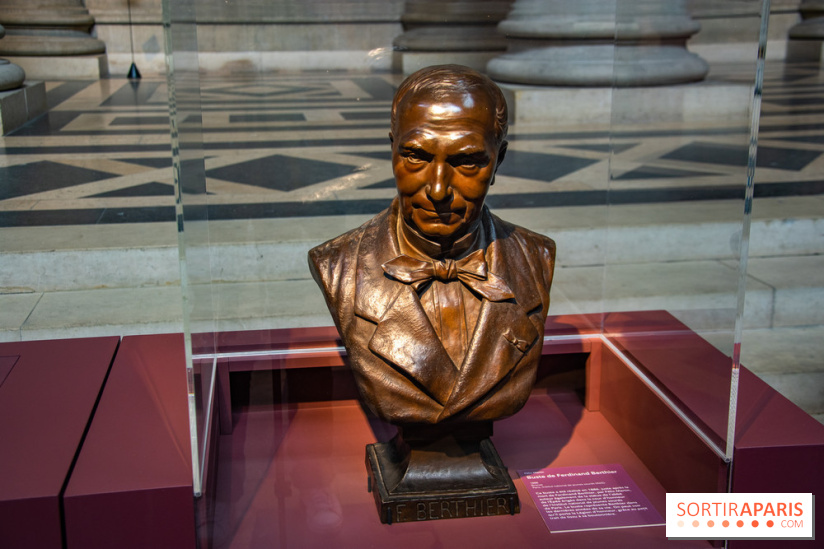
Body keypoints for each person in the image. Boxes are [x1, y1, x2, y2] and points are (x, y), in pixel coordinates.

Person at [309, 64, 555, 426]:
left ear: (497, 160)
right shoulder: (339, 265)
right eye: (416, 156)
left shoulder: (535, 259)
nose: (438, 189)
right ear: (392, 148)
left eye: (466, 161)